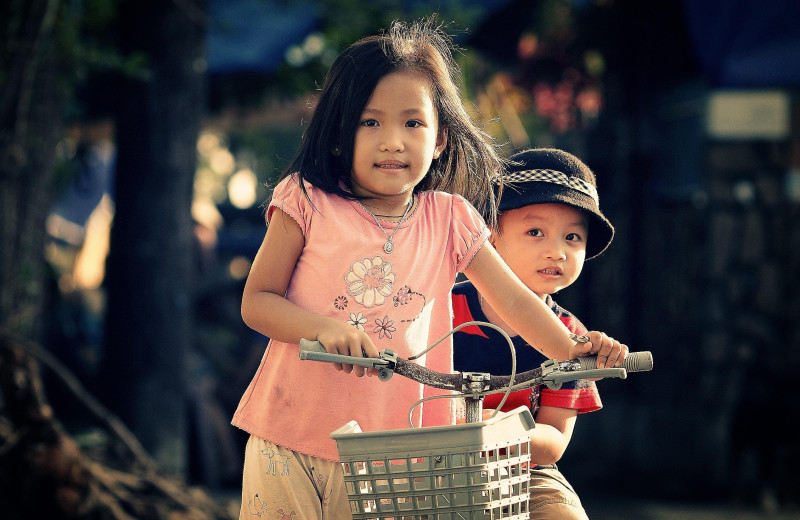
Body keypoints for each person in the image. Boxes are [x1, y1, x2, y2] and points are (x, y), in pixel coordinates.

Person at [232, 18, 627, 519]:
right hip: (291, 437)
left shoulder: (450, 218)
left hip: (400, 457)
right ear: (336, 134)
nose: (393, 141)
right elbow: (257, 301)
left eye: (413, 123)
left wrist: (575, 350)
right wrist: (323, 329)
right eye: (369, 122)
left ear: (440, 139)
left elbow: (513, 300)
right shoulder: (305, 200)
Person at [452, 147, 623, 520]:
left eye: (572, 238)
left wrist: (498, 433)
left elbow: (554, 440)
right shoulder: (441, 310)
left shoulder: (570, 338)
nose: (557, 252)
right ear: (491, 235)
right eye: (535, 232)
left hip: (524, 472)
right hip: (434, 463)